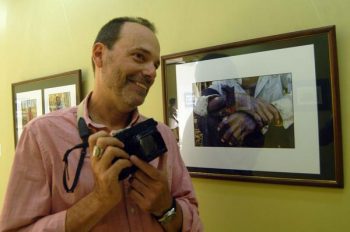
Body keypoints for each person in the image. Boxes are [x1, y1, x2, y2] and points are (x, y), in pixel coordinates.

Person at [0, 17, 202, 232]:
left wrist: (166, 208)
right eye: (139, 56)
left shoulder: (164, 135)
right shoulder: (41, 136)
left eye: (154, 65)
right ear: (99, 55)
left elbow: (195, 223)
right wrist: (98, 200)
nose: (152, 73)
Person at [193, 54, 294, 148]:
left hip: (279, 145)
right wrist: (237, 98)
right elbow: (200, 104)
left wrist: (256, 115)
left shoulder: (277, 70)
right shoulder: (225, 81)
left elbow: (300, 97)